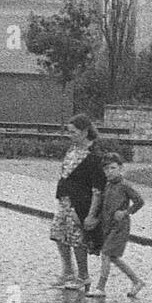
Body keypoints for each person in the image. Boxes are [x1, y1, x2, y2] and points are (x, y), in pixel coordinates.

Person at [49, 114, 106, 291]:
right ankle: (67, 272)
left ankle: (83, 276)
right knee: (59, 234)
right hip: (65, 200)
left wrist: (91, 214)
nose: (70, 135)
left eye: (73, 132)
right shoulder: (72, 149)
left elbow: (98, 188)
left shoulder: (94, 156)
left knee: (76, 239)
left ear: (84, 132)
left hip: (81, 203)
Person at [87, 156, 147, 298]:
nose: (109, 172)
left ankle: (100, 287)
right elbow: (105, 206)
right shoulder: (107, 185)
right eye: (106, 169)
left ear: (121, 168)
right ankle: (136, 281)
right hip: (108, 226)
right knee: (112, 257)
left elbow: (139, 201)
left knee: (106, 254)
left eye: (113, 168)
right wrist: (97, 220)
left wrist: (126, 212)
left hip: (120, 226)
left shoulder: (125, 185)